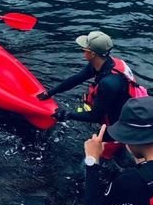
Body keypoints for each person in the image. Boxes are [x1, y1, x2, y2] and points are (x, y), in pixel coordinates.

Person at [37, 31, 146, 159]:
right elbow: (76, 79)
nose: (82, 51)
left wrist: (65, 114)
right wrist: (50, 93)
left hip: (118, 124)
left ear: (93, 53)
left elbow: (95, 117)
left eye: (84, 49)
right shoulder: (105, 63)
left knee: (99, 155)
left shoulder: (109, 83)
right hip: (117, 109)